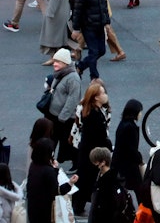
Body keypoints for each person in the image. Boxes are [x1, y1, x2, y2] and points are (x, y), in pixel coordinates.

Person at [72, 81, 112, 215]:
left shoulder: (91, 111)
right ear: (96, 97)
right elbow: (99, 136)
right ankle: (78, 205)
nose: (105, 95)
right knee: (86, 179)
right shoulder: (94, 115)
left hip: (87, 151)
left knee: (84, 178)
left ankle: (78, 205)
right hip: (92, 152)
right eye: (103, 93)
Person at [72, 0, 111, 79]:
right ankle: (94, 77)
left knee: (101, 51)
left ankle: (80, 66)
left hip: (99, 25)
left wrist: (107, 22)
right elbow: (77, 11)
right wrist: (76, 28)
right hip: (88, 26)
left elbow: (104, 6)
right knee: (93, 52)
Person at [27, 139, 77, 223]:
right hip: (45, 211)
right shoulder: (49, 171)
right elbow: (56, 191)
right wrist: (70, 183)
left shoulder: (33, 165)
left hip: (33, 207)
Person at [112, 99, 143, 194]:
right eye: (140, 112)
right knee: (139, 188)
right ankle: (142, 208)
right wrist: (139, 159)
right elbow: (131, 148)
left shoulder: (123, 124)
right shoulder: (130, 127)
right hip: (129, 164)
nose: (141, 114)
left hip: (120, 162)